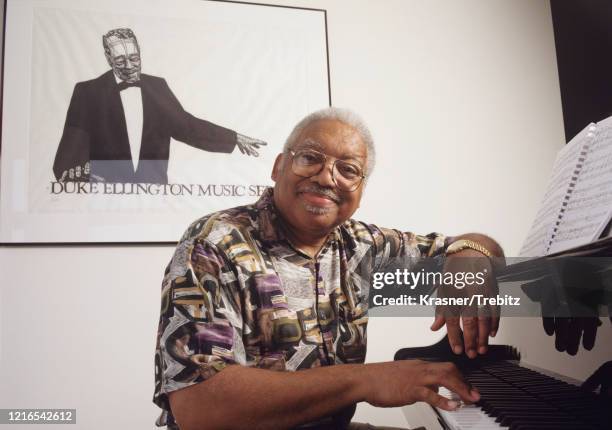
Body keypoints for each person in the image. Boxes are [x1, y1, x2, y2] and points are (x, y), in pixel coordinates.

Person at [153, 108, 504, 429]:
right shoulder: (214, 243)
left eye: (348, 170)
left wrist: (469, 263)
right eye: (310, 159)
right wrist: (367, 380)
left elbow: (473, 244)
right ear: (278, 167)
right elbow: (200, 407)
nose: (326, 178)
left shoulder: (361, 245)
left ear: (360, 189)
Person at [53, 28, 266, 184]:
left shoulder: (158, 86)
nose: (129, 67)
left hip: (153, 196)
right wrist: (75, 174)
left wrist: (234, 137)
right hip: (103, 198)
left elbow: (187, 127)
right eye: (120, 61)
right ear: (108, 58)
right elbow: (69, 153)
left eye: (134, 58)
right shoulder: (88, 92)